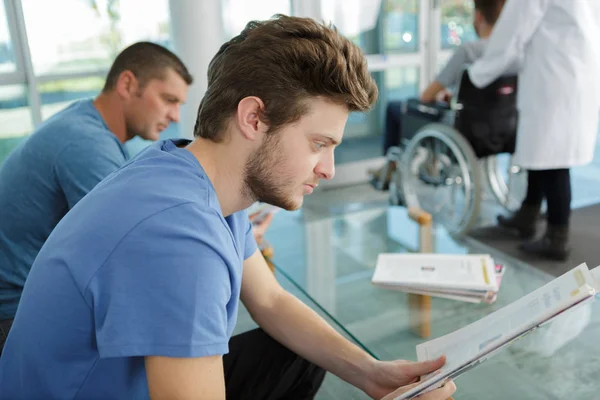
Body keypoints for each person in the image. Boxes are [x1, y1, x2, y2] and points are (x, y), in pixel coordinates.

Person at [0, 15, 456, 400]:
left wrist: (370, 373)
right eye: (319, 144)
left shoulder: (198, 175)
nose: (329, 169)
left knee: (296, 354)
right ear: (253, 118)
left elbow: (271, 301)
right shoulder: (177, 235)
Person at [0, 41, 193, 352]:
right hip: (14, 318)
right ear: (128, 84)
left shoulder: (85, 122)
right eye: (168, 99)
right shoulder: (86, 144)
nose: (175, 115)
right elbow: (133, 247)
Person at [468, 0, 600, 260]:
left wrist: (479, 73)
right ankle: (527, 216)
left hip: (555, 80)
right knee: (543, 154)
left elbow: (513, 30)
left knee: (553, 161)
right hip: (576, 74)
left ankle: (556, 237)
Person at [370, 0, 507, 189]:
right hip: (499, 127)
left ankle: (392, 165)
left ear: (478, 16)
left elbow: (427, 96)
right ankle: (415, 164)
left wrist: (443, 96)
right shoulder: (511, 52)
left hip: (461, 129)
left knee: (396, 107)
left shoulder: (469, 51)